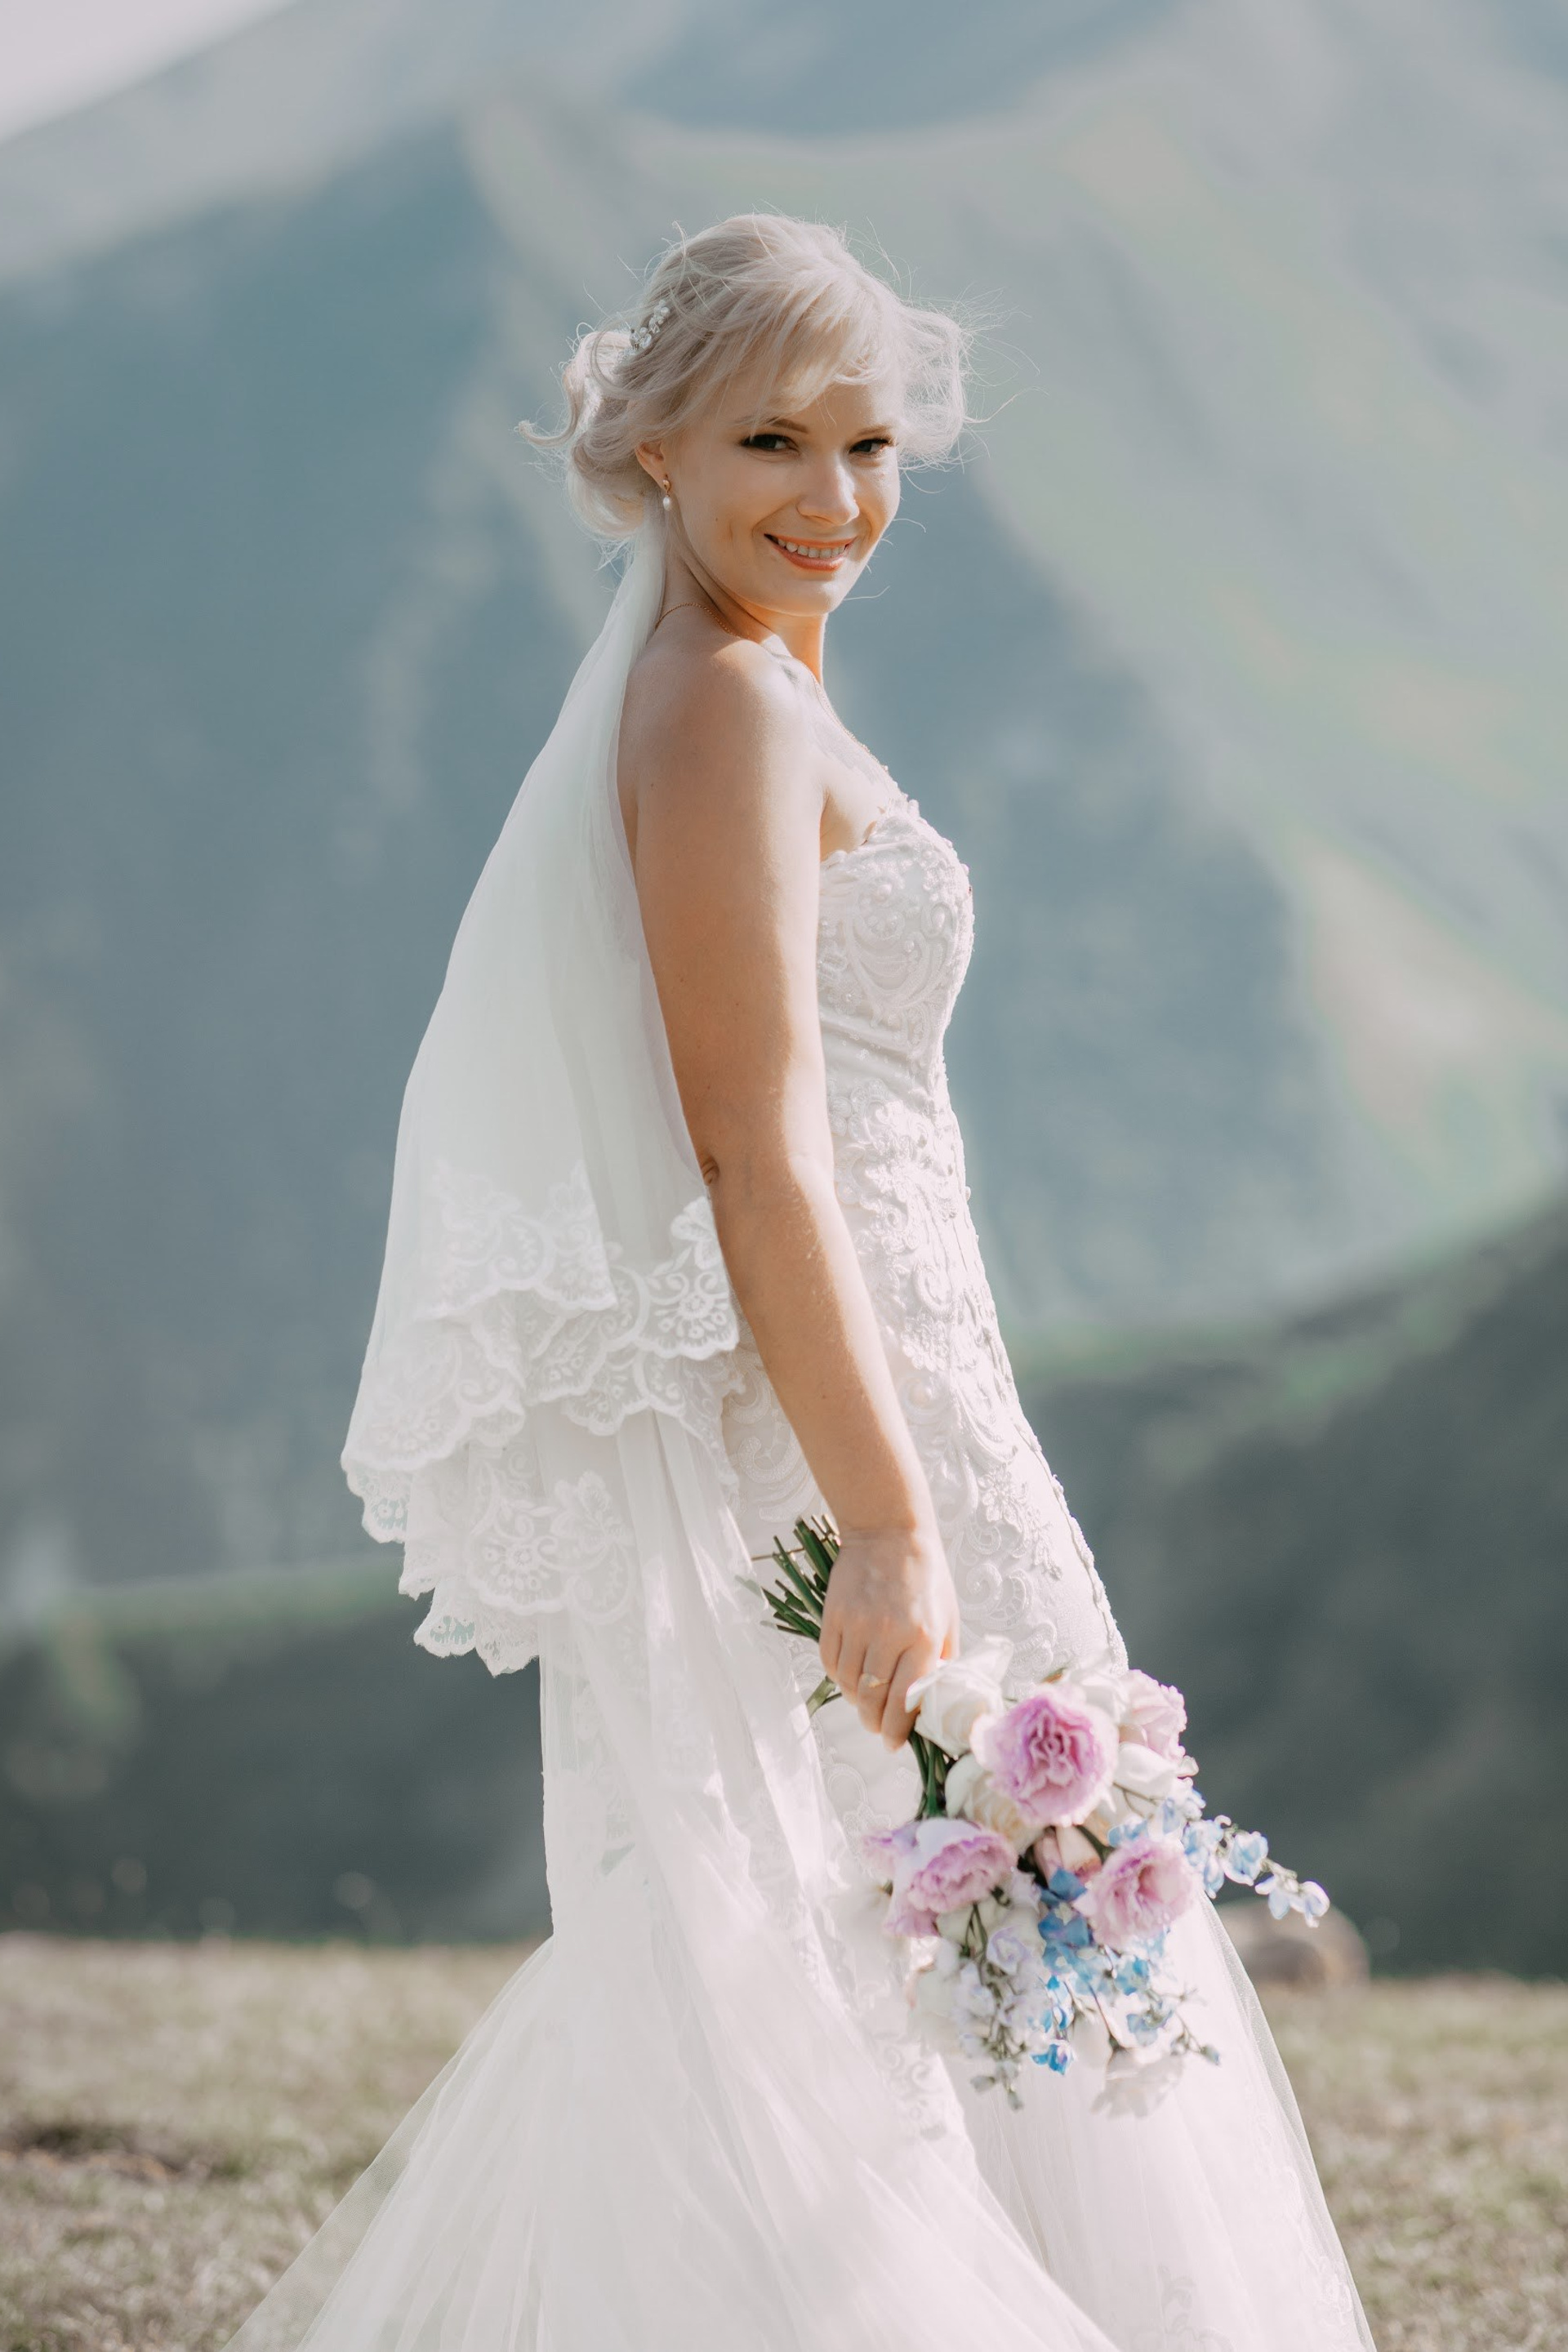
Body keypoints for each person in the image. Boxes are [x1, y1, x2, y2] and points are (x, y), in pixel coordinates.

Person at [225, 215, 1375, 2352]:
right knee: (895, 1931)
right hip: (862, 1423)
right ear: (651, 446)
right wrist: (886, 1517)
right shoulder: (725, 709)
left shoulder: (737, 681)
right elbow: (754, 1150)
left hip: (913, 1379)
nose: (834, 499)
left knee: (939, 1928)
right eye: (772, 438)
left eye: (868, 443)